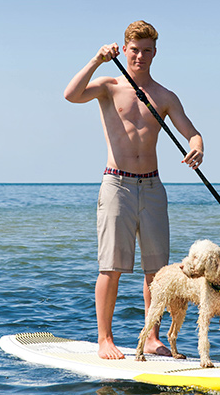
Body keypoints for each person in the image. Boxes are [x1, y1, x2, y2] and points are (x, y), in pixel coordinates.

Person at [64, 20, 204, 360]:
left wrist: (198, 146)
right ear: (125, 50)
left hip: (153, 187)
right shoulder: (109, 86)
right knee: (110, 267)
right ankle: (105, 340)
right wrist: (96, 59)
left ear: (154, 53)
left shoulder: (165, 96)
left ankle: (152, 337)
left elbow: (191, 132)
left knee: (156, 271)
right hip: (117, 185)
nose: (140, 56)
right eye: (134, 50)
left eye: (146, 50)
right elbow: (71, 95)